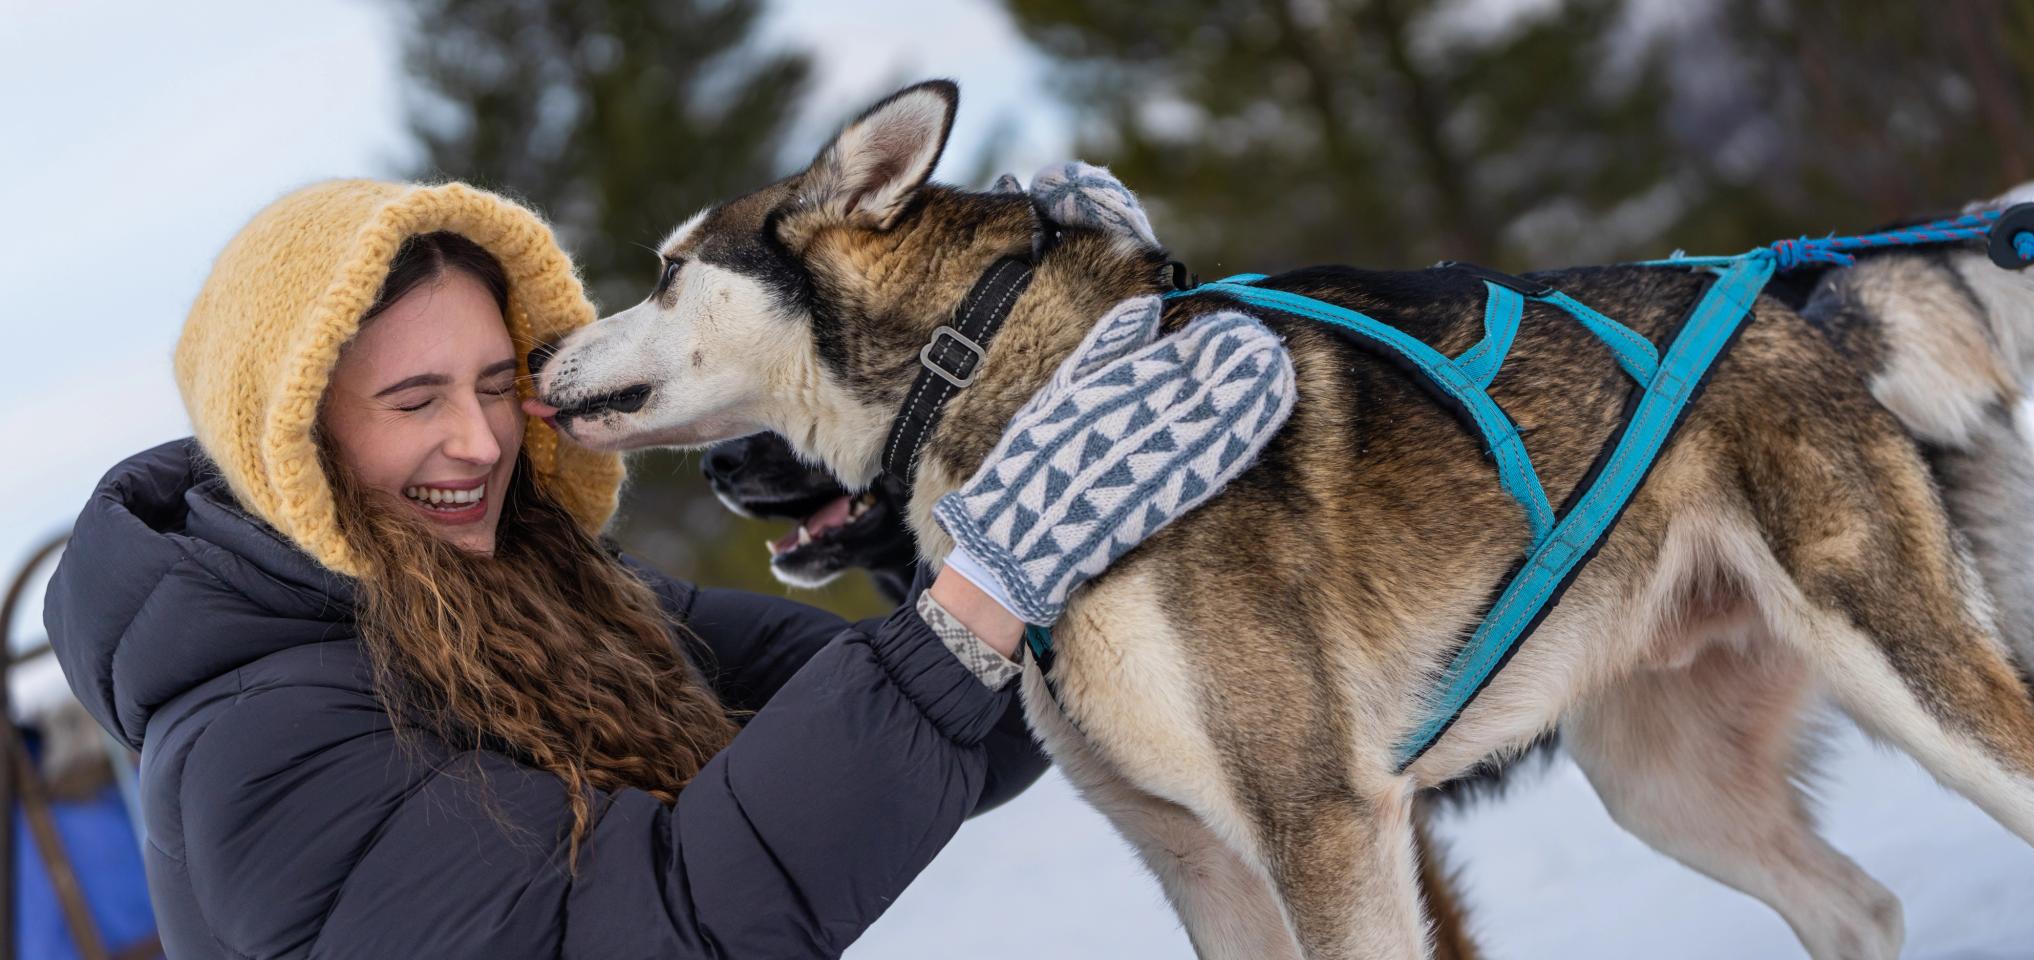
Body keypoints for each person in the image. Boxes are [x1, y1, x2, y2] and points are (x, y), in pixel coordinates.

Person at [45, 177, 1293, 958]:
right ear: (296, 432)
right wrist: (981, 588)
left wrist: (933, 509)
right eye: (412, 400)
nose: (476, 443)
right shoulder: (263, 740)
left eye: (493, 386)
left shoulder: (550, 603)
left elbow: (949, 743)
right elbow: (665, 923)